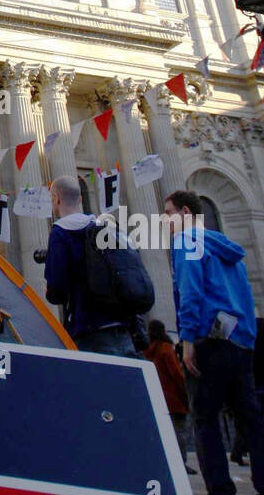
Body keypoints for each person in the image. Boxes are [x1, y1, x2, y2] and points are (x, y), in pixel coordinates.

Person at [164, 189, 264, 495]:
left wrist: (188, 339)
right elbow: (245, 297)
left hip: (210, 343)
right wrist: (247, 340)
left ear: (184, 212)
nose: (165, 221)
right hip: (240, 342)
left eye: (168, 214)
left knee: (206, 420)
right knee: (252, 421)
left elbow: (191, 291)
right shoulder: (227, 249)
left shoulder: (187, 241)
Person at [44, 174, 137, 356]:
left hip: (89, 330)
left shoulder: (61, 232)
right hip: (121, 328)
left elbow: (56, 289)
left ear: (56, 199)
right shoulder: (104, 226)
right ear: (80, 198)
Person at [144, 320, 196, 473]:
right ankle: (180, 462)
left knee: (163, 432)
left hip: (157, 395)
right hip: (173, 397)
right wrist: (185, 393)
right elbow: (176, 374)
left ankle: (165, 461)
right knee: (180, 432)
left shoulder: (148, 351)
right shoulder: (166, 349)